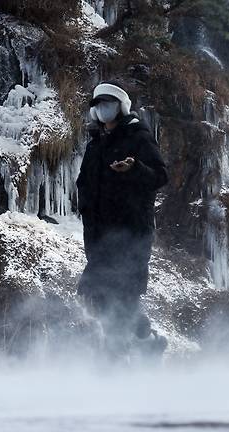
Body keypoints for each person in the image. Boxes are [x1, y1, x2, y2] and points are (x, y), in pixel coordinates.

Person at [76, 81, 169, 360]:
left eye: (109, 104)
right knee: (97, 293)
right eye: (98, 106)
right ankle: (146, 342)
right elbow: (87, 186)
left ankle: (118, 358)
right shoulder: (95, 146)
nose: (103, 110)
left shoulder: (138, 136)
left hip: (131, 232)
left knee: (124, 294)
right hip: (98, 234)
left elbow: (159, 175)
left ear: (121, 107)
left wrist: (134, 169)